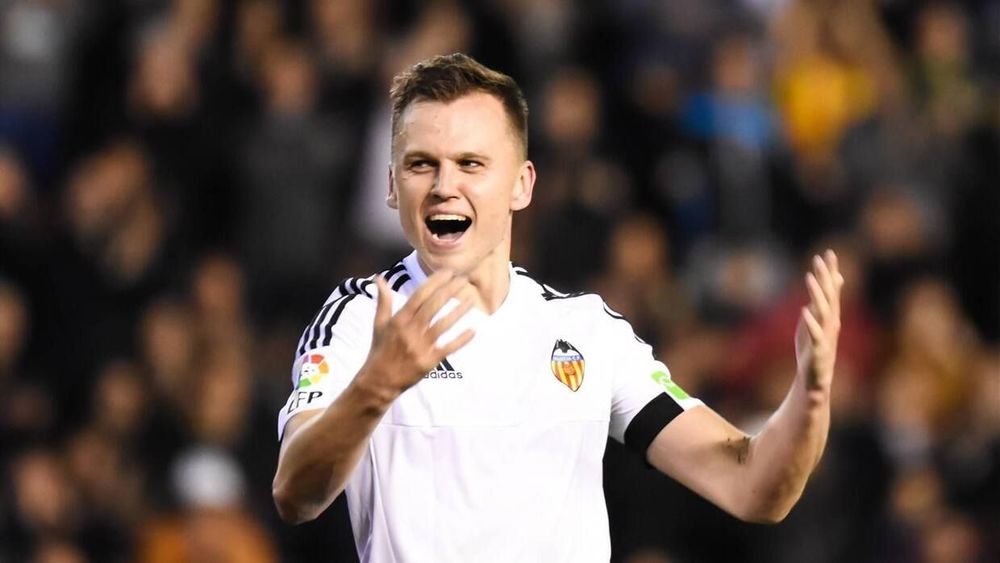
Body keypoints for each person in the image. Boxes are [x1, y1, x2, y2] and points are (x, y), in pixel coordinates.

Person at [272, 53, 844, 562]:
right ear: (392, 186)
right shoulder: (358, 319)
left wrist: (812, 395)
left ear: (521, 185)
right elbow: (295, 494)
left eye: (471, 164)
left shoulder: (587, 332)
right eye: (421, 164)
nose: (444, 185)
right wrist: (375, 388)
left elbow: (751, 486)